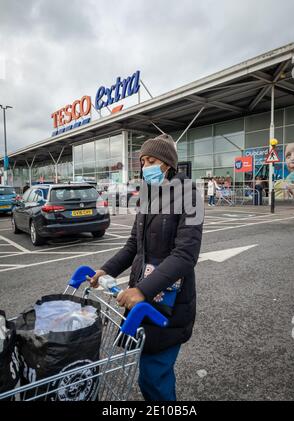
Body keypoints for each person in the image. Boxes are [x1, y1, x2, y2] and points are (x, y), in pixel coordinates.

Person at [89, 134, 203, 401]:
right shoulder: (148, 195)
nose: (145, 166)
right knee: (148, 374)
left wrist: (141, 290)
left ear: (167, 163)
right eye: (142, 161)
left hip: (169, 302)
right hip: (144, 299)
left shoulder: (190, 195)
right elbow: (133, 246)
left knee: (154, 376)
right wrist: (106, 270)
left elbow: (185, 254)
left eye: (151, 160)